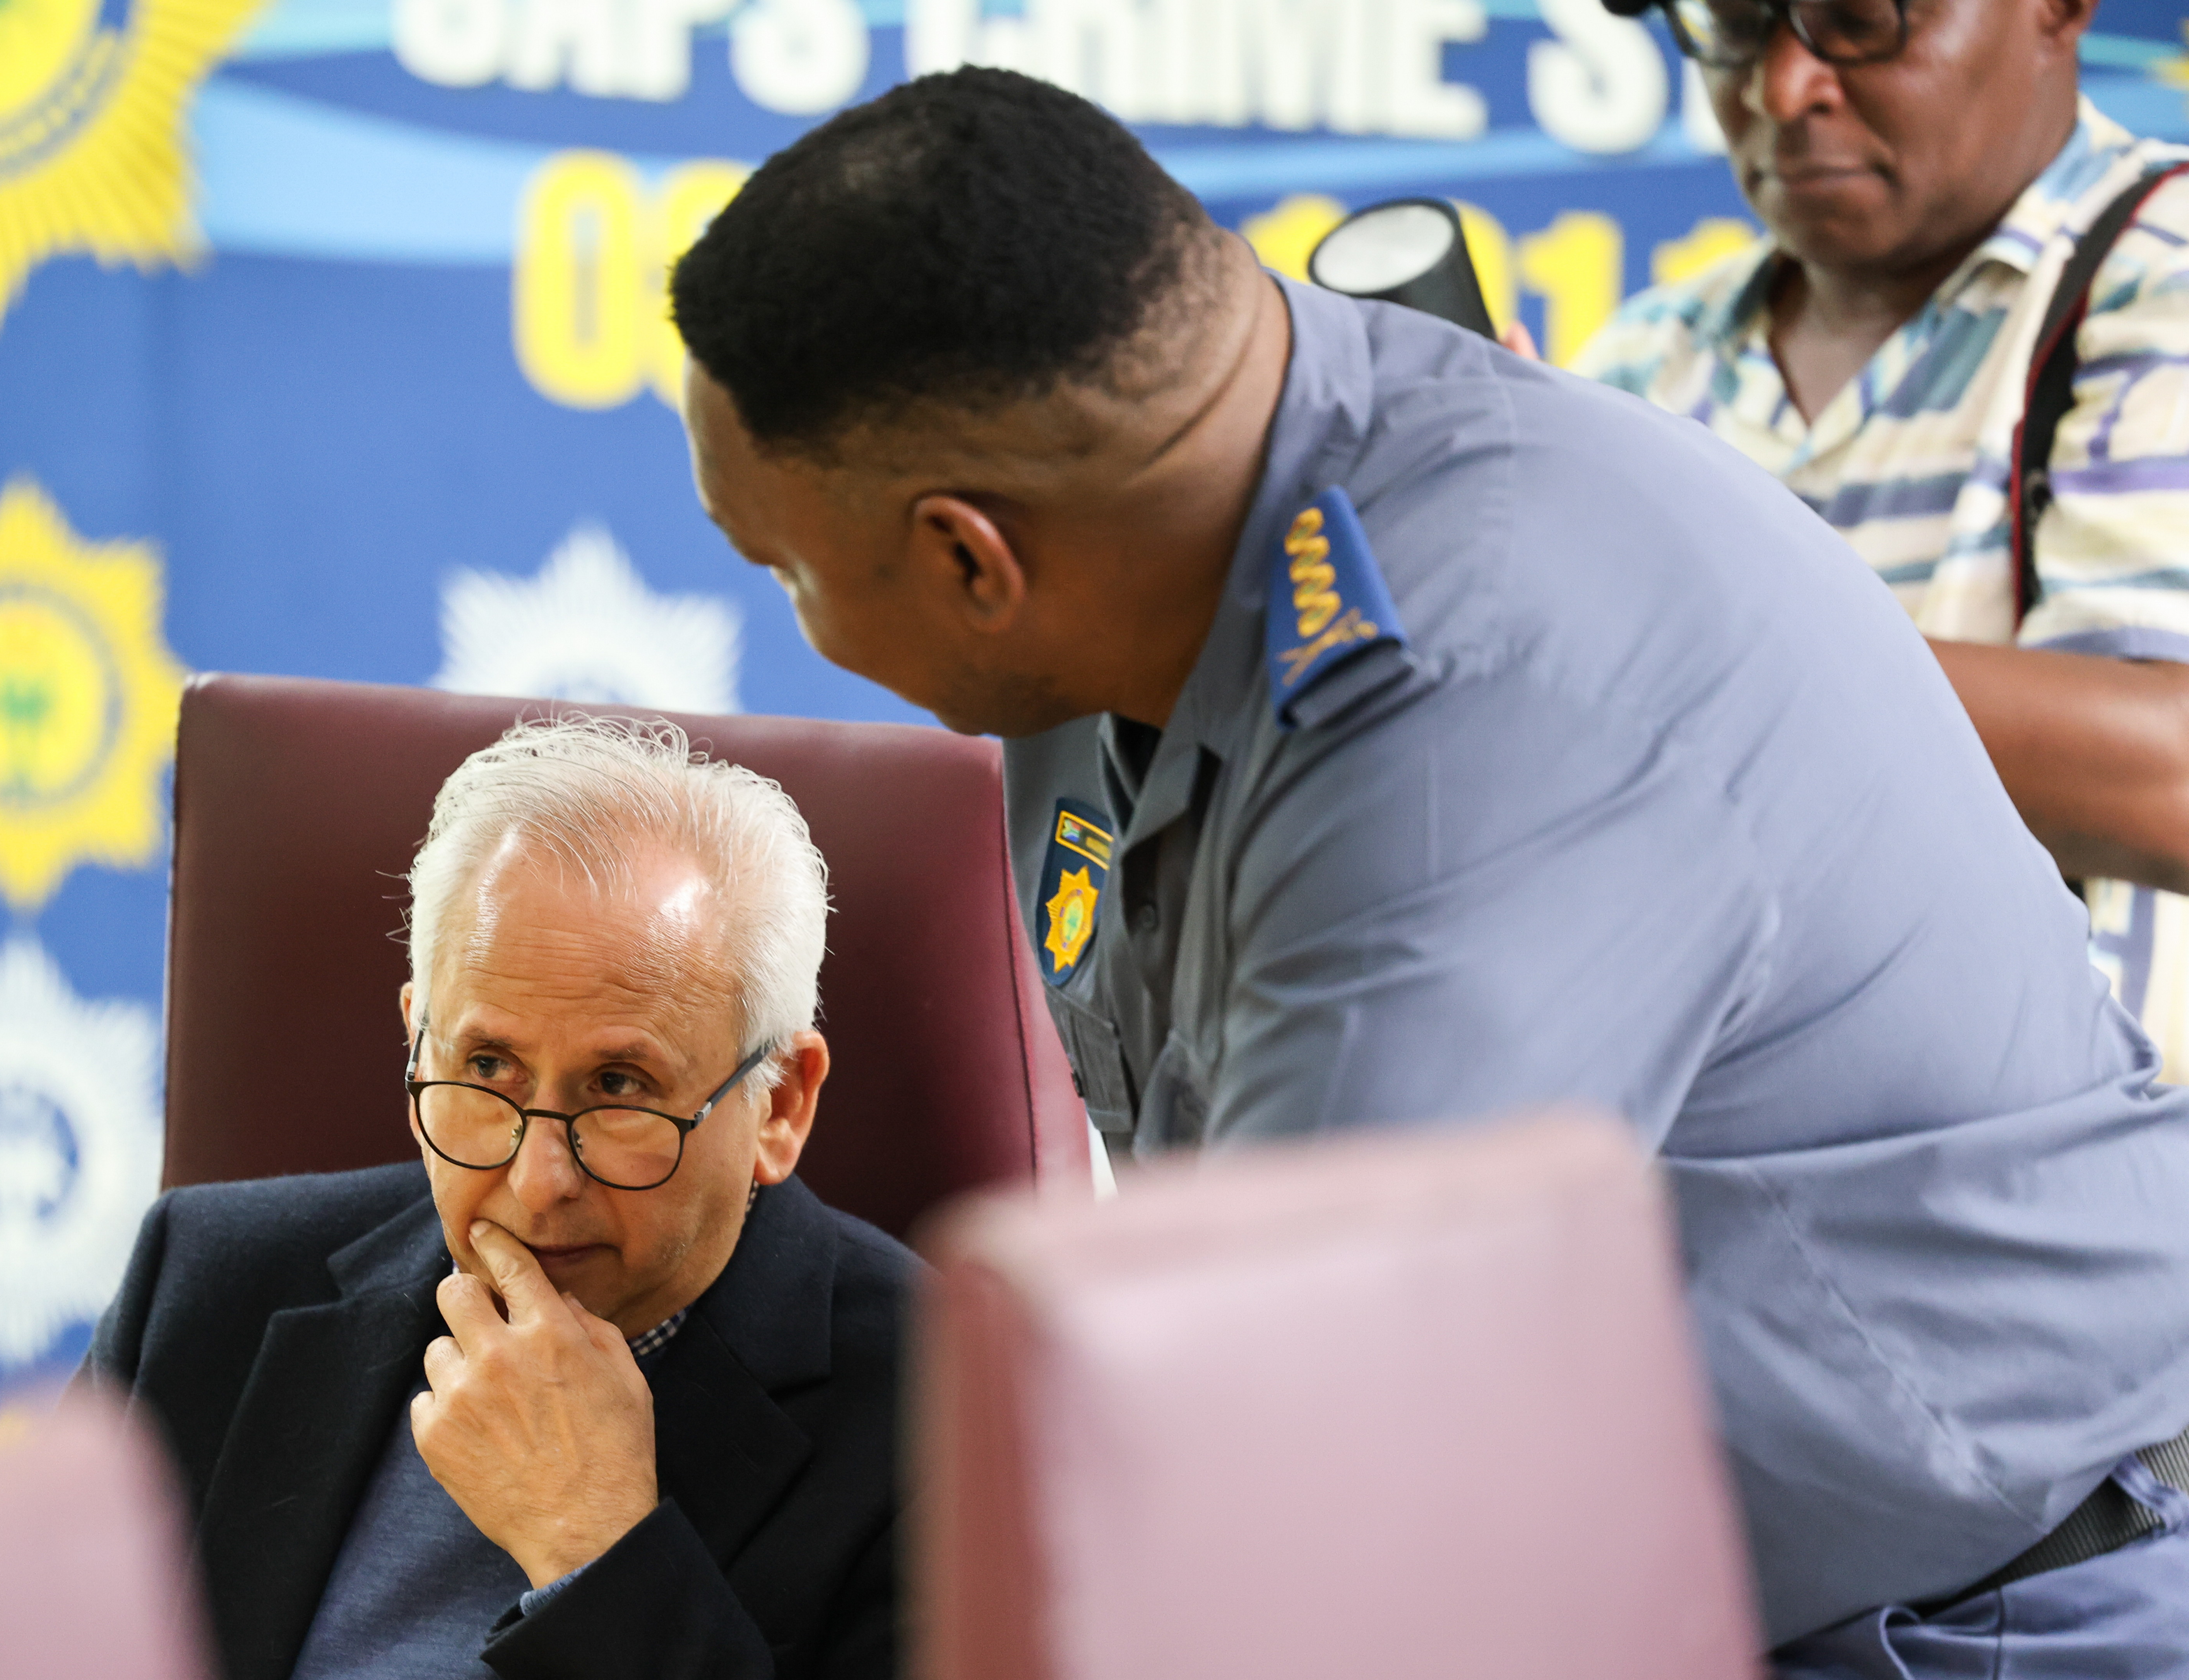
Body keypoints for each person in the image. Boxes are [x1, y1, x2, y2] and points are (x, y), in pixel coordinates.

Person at [669, 66, 2189, 1669]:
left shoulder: (1473, 697)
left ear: (972, 558)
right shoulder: (1141, 561)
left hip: (1981, 1621)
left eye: (787, 569)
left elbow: (1318, 1449)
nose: (801, 617)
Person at [84, 717, 915, 1680]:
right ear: (415, 1044)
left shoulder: (952, 1406)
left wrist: (595, 1546)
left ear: (781, 1104)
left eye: (619, 1087)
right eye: (487, 1067)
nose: (539, 1181)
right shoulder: (204, 1280)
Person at [1578, 0, 2189, 1080]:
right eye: (1732, 23)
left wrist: (1641, 644)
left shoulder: (2162, 268)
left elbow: (2166, 779)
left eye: (1859, 19)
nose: (1782, 89)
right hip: (1739, 1162)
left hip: (2093, 1163)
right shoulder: (1644, 356)